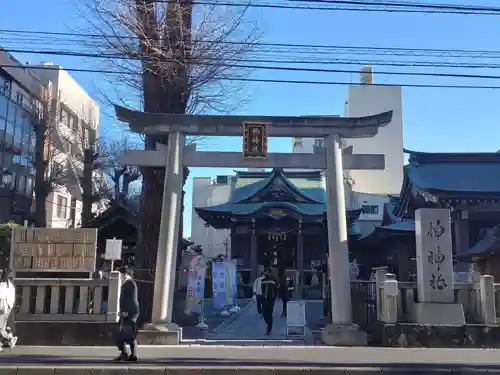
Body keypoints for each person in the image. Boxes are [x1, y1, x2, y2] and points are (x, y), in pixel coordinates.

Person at [116, 266, 139, 362]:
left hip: (130, 312)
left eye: (120, 274)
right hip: (128, 312)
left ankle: (132, 355)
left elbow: (131, 300)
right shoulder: (127, 283)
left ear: (124, 274)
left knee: (128, 334)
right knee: (121, 335)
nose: (119, 277)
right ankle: (124, 353)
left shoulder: (129, 284)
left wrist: (126, 311)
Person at [0, 269, 17, 350]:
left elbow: (2, 297)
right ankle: (10, 339)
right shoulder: (9, 286)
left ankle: (9, 339)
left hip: (3, 308)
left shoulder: (3, 285)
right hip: (7, 308)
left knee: (1, 328)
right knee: (2, 328)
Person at [260, 268, 277, 336]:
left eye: (267, 272)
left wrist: (274, 299)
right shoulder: (263, 281)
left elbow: (276, 291)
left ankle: (269, 329)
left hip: (270, 300)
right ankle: (268, 325)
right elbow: (262, 289)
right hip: (264, 299)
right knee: (265, 314)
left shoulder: (273, 281)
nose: (266, 274)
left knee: (269, 315)